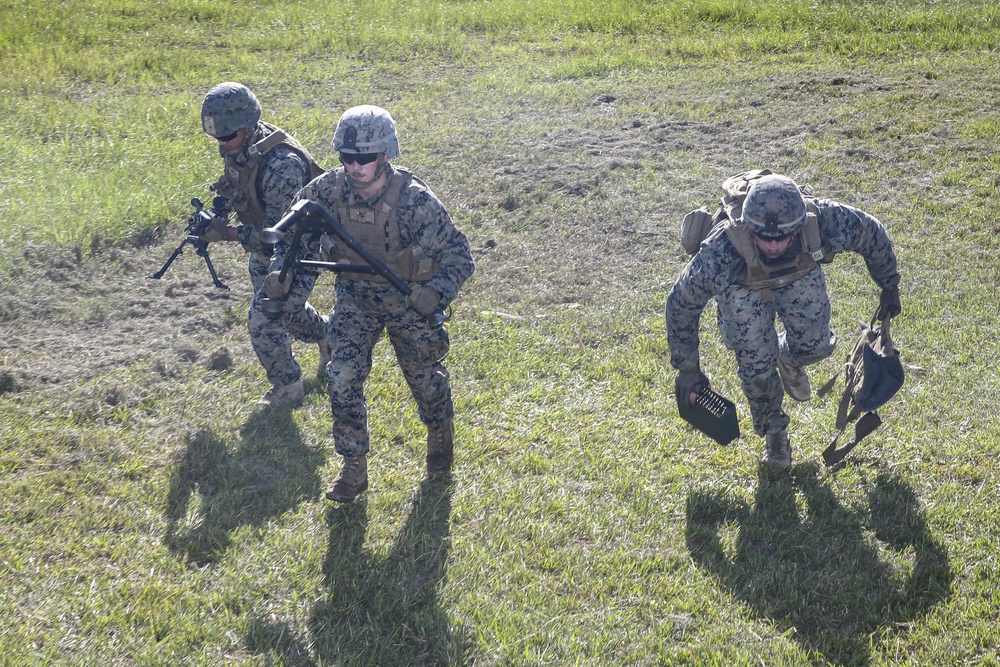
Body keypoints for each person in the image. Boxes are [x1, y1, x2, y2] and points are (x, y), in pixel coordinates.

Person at [291, 105, 475, 502]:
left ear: (385, 155)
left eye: (365, 158)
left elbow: (460, 254)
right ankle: (354, 468)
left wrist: (437, 292)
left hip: (408, 300)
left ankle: (439, 431)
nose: (355, 168)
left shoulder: (415, 202)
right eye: (347, 158)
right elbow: (293, 230)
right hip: (356, 298)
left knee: (425, 380)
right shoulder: (325, 191)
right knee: (341, 375)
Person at [666, 171, 901, 467]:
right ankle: (775, 432)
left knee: (817, 345)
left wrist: (889, 285)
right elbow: (681, 303)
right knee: (756, 364)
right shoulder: (721, 249)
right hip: (742, 288)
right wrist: (688, 369)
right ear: (749, 227)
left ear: (800, 225)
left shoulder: (824, 219)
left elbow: (872, 233)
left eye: (782, 237)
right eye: (764, 237)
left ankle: (788, 358)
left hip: (798, 275)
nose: (774, 245)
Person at [198, 82, 331, 407]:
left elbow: (281, 232)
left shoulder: (282, 165)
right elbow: (239, 182)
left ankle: (288, 387)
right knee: (287, 312)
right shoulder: (241, 145)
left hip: (300, 249)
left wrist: (227, 234)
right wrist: (218, 209)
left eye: (227, 137)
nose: (222, 144)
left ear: (247, 127)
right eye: (218, 137)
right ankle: (330, 335)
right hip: (267, 248)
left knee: (264, 317)